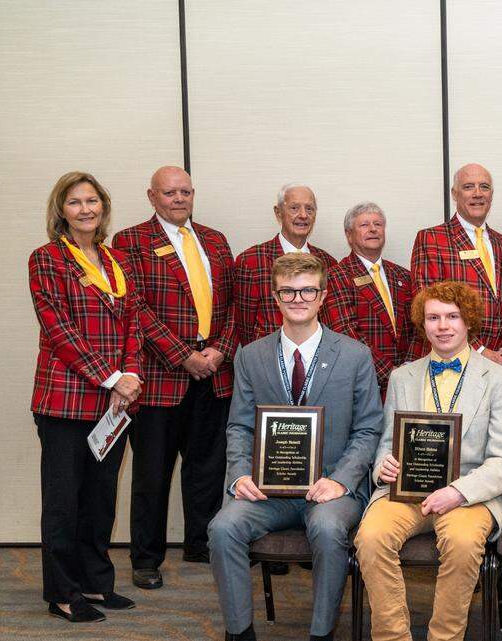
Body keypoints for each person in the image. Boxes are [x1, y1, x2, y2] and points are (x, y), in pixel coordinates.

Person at [207, 253, 381, 641]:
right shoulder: (251, 356)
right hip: (269, 491)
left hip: (332, 488)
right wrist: (238, 476)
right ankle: (239, 632)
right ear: (275, 296)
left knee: (328, 527)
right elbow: (239, 425)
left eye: (307, 290)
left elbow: (369, 428)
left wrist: (340, 480)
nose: (298, 298)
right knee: (222, 528)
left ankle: (322, 633)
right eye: (288, 291)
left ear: (322, 296)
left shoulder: (354, 355)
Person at [354, 281, 502, 641]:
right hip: (405, 493)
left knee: (461, 544)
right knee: (370, 537)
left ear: (468, 322)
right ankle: (393, 637)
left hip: (469, 494)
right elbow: (386, 442)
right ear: (422, 323)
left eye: (452, 317)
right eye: (433, 317)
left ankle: (444, 638)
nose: (443, 326)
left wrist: (458, 492)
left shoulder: (501, 380)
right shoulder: (402, 376)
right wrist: (384, 463)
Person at [113, 166, 237, 589]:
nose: (179, 199)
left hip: (214, 372)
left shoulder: (216, 240)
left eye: (185, 191)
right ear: (152, 196)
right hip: (162, 376)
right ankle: (146, 557)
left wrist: (220, 349)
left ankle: (200, 542)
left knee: (206, 467)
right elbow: (136, 308)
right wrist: (183, 356)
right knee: (152, 471)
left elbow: (234, 304)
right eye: (170, 193)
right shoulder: (130, 241)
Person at [29, 172, 143, 622]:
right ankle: (61, 593)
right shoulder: (47, 259)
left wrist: (131, 375)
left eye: (92, 201)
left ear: (103, 207)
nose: (85, 209)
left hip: (114, 404)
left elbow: (133, 322)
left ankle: (95, 583)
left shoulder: (117, 261)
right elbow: (59, 330)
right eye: (75, 202)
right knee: (63, 502)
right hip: (64, 401)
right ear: (62, 211)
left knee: (100, 500)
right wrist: (113, 377)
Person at [411, 163, 502, 366]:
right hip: (453, 358)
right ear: (454, 193)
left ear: (491, 195)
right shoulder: (431, 239)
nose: (478, 193)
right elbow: (427, 306)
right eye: (469, 187)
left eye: (484, 187)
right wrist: (480, 351)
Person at [322, 201, 413, 398]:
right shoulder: (336, 276)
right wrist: (390, 373)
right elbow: (345, 334)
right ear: (349, 235)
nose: (373, 229)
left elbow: (420, 325)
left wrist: (410, 368)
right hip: (363, 384)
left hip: (409, 382)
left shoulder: (404, 276)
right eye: (364, 225)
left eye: (378, 224)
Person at [233, 182, 336, 346]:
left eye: (309, 209)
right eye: (294, 208)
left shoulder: (328, 262)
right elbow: (244, 325)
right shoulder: (251, 261)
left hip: (319, 359)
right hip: (269, 359)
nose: (303, 215)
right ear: (278, 212)